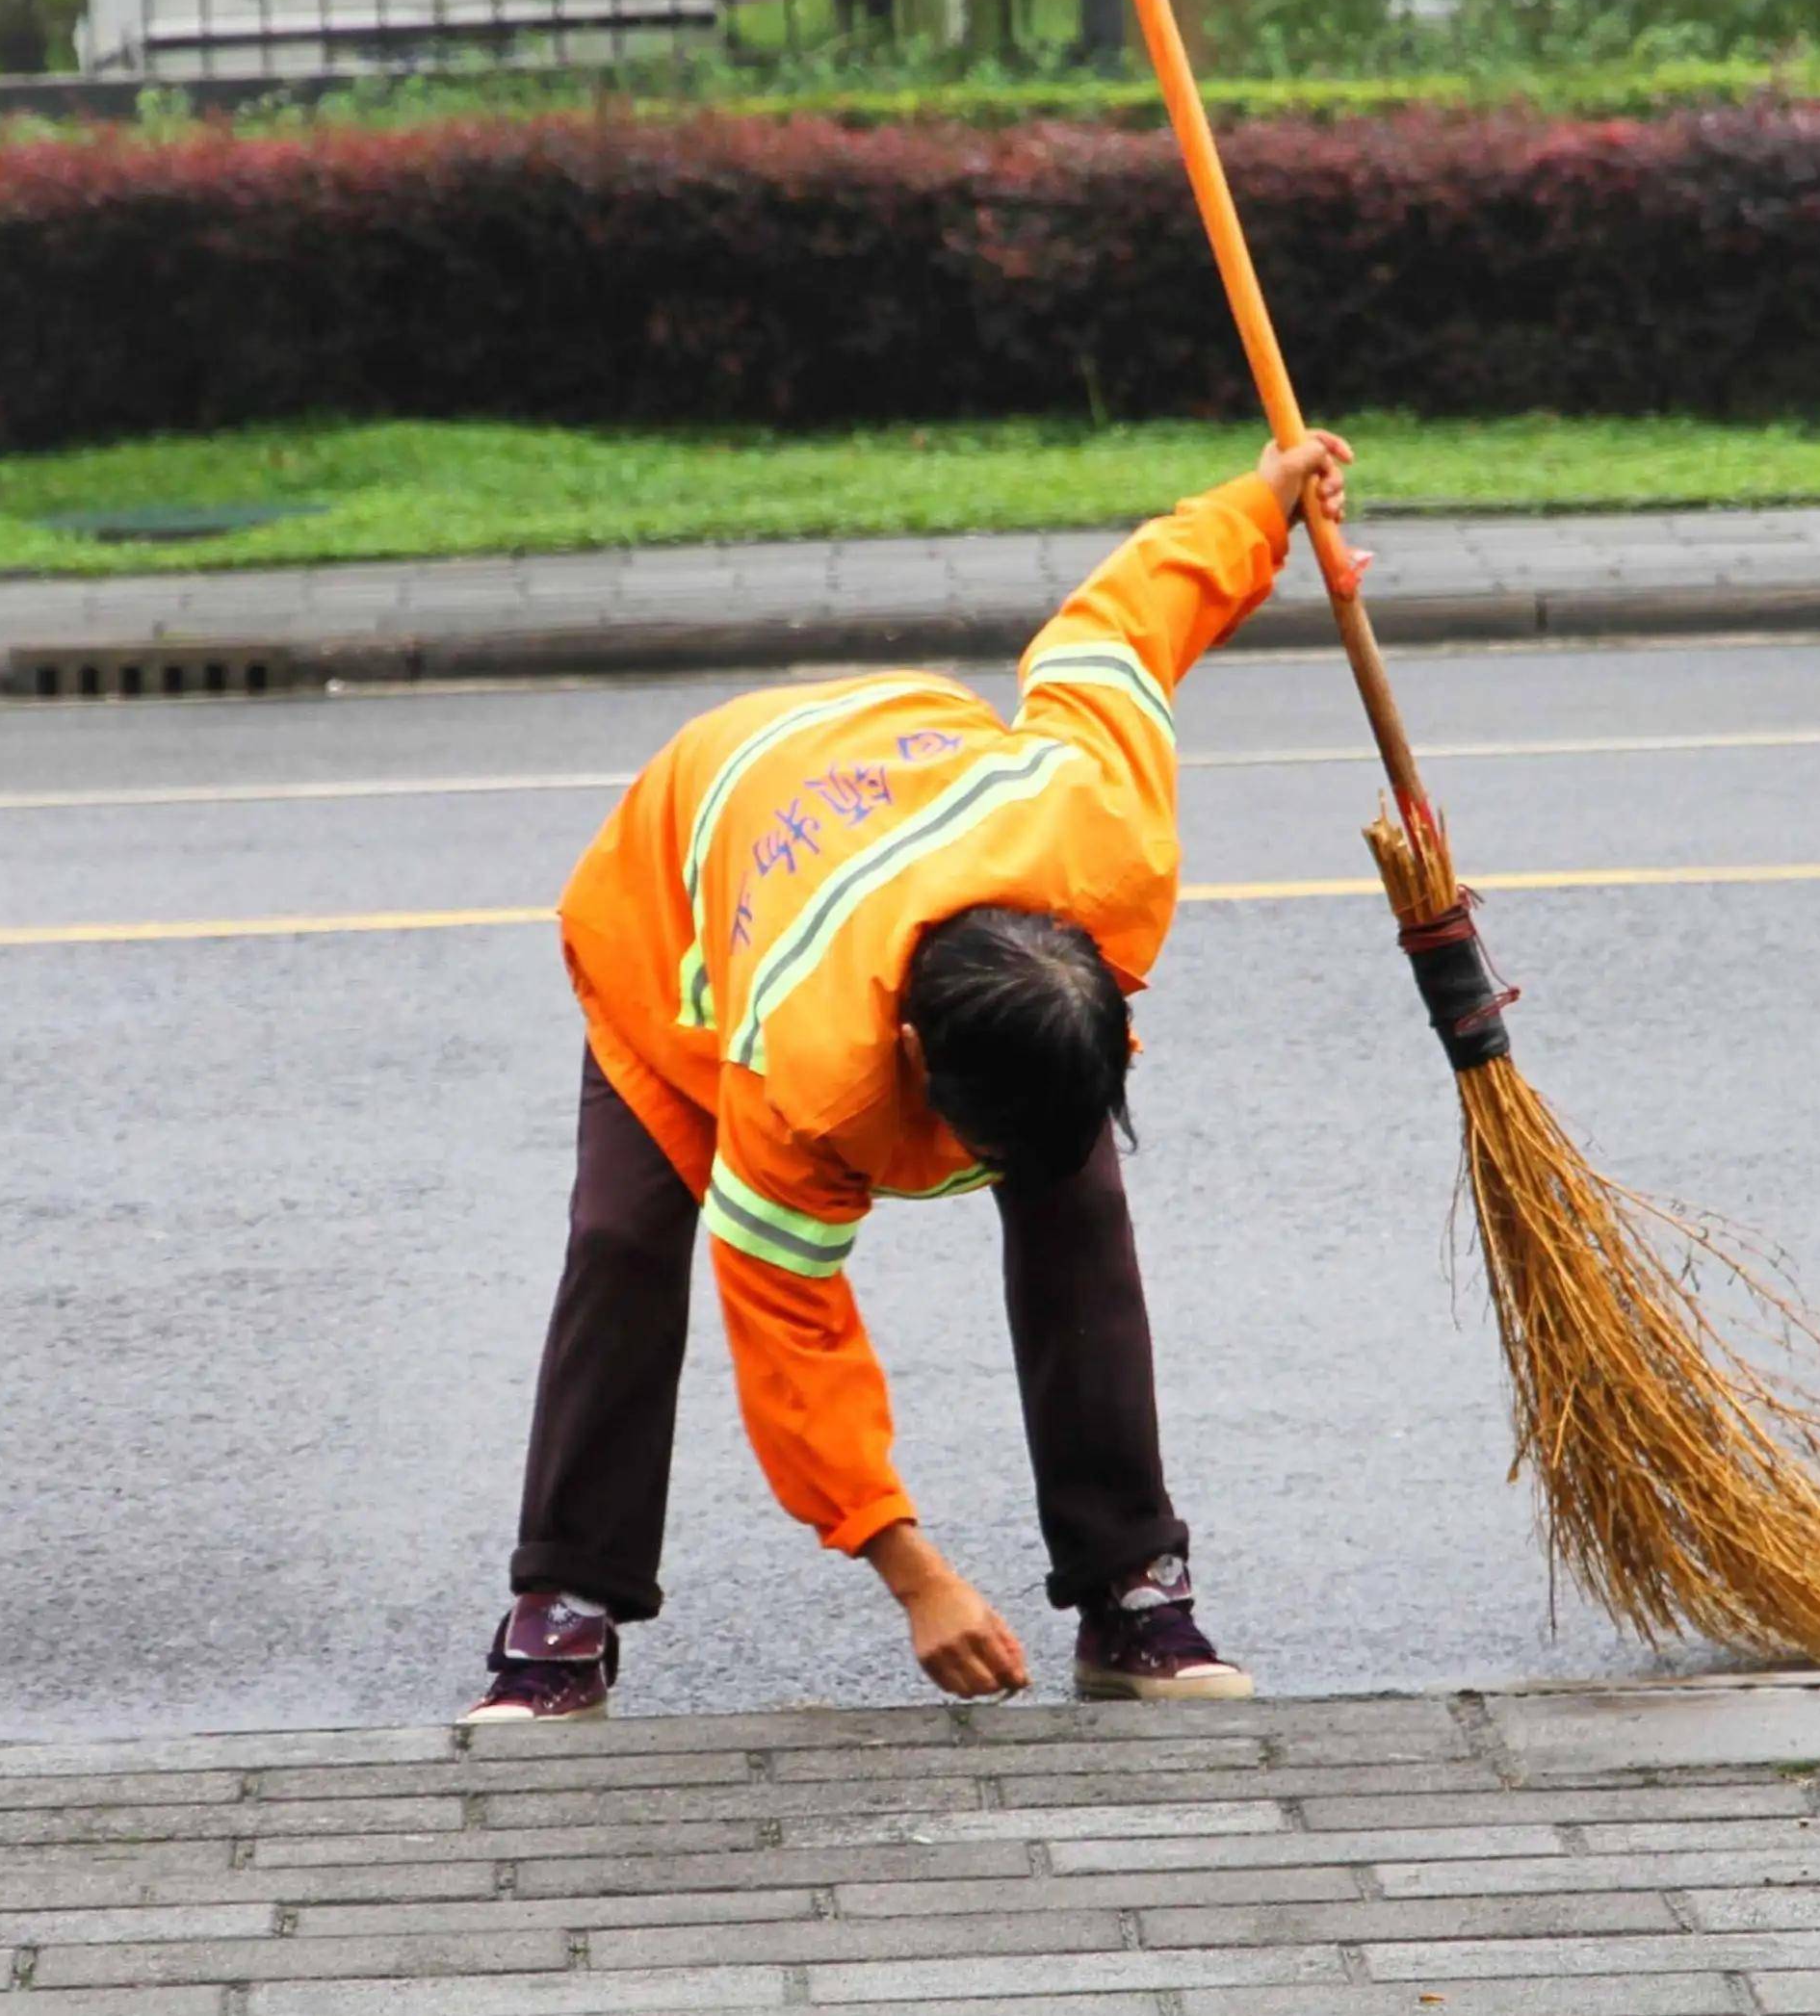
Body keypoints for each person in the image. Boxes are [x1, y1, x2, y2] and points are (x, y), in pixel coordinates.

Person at [466, 429, 1358, 1721]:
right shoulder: (808, 1074)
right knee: (622, 1238)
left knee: (1080, 1209)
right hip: (679, 881)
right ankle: (564, 1603)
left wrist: (1261, 507)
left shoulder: (1098, 838)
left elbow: (1113, 632)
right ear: (908, 1067)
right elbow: (792, 1344)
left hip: (897, 750)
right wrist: (911, 1572)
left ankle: (1131, 1592)